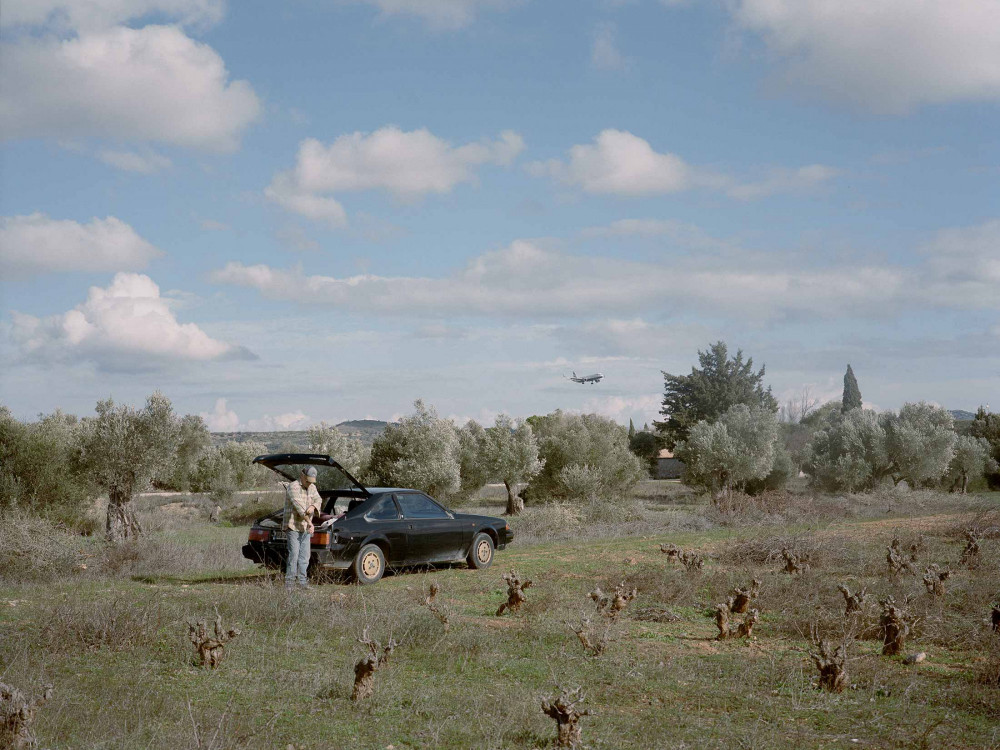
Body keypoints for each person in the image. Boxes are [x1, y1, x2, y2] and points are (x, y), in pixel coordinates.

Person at [283, 466, 321, 589]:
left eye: (312, 481)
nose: (310, 483)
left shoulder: (312, 487)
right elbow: (300, 509)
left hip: (305, 528)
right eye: (308, 480)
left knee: (305, 556)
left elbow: (318, 499)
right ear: (302, 476)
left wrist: (314, 506)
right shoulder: (293, 487)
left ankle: (302, 582)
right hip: (293, 526)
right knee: (294, 555)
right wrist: (310, 522)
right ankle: (290, 584)